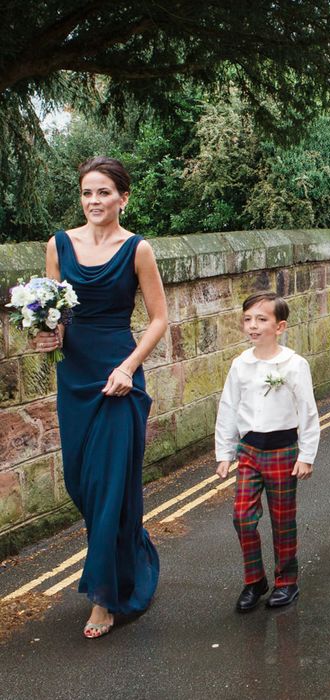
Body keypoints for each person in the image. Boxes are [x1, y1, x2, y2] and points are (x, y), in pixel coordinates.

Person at [31, 156, 168, 638]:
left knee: (111, 487)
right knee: (83, 486)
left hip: (119, 379)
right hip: (75, 378)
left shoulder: (138, 249)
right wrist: (47, 335)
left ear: (122, 198)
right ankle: (131, 554)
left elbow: (158, 320)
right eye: (87, 192)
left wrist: (129, 368)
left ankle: (103, 600)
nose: (94, 201)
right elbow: (55, 315)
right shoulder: (59, 244)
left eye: (104, 192)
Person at [215, 292, 320, 610]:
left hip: (283, 451)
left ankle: (286, 581)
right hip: (249, 452)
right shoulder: (240, 364)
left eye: (262, 319)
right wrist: (224, 452)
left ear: (280, 326)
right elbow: (229, 408)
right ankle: (254, 580)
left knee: (282, 519)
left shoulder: (294, 364)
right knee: (243, 517)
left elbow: (307, 410)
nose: (253, 326)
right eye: (247, 319)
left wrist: (306, 454)